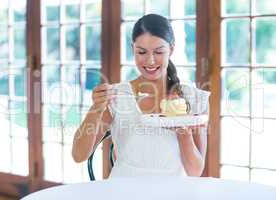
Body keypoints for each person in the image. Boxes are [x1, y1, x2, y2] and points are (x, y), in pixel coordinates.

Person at [72, 14, 210, 178]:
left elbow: (195, 172)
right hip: (124, 190)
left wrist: (182, 130)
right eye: (142, 52)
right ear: (133, 49)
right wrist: (96, 109)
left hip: (173, 192)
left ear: (171, 49)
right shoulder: (117, 96)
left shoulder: (194, 99)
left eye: (158, 52)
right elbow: (78, 156)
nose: (150, 61)